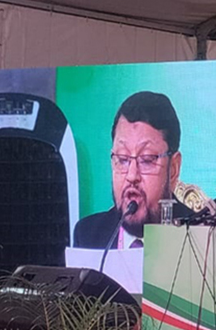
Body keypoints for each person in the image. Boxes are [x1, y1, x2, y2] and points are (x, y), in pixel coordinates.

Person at [73, 91, 191, 249]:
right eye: (122, 159)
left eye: (147, 160)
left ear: (173, 169)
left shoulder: (202, 237)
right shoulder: (87, 236)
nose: (132, 175)